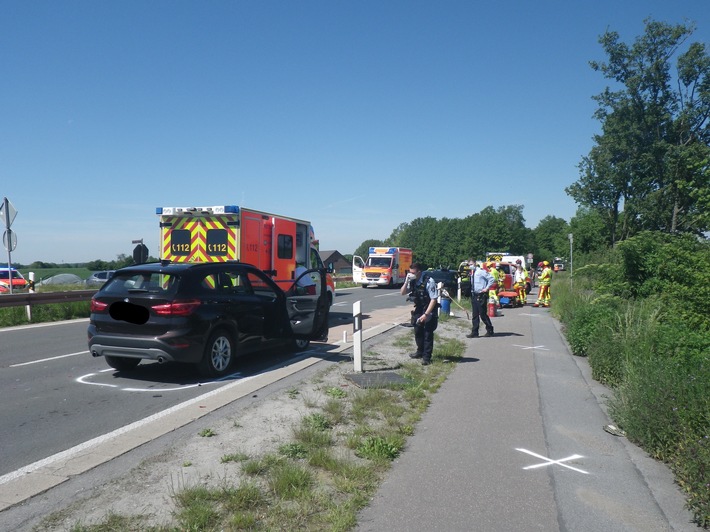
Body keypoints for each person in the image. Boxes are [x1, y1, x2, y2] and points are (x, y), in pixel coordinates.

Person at [401, 262, 439, 365]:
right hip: (419, 308)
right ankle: (420, 351)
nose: (411, 274)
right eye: (409, 272)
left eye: (413, 272)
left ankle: (426, 357)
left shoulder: (429, 281)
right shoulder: (412, 281)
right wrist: (406, 281)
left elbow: (434, 299)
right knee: (417, 330)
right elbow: (402, 292)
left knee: (427, 333)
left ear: (419, 272)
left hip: (429, 309)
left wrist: (426, 314)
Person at [467, 261, 495, 338]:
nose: (470, 266)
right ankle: (474, 332)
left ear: (475, 264)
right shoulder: (472, 273)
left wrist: (486, 288)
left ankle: (490, 329)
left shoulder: (481, 272)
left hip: (481, 295)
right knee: (475, 315)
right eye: (469, 265)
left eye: (471, 264)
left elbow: (492, 279)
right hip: (474, 294)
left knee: (482, 313)